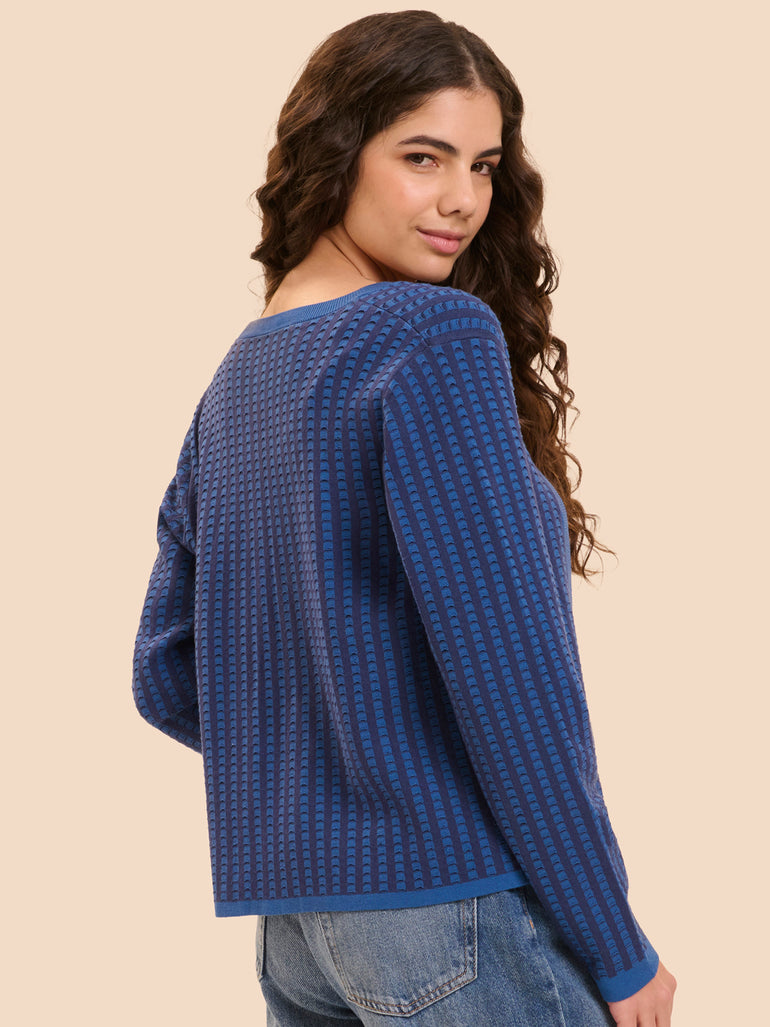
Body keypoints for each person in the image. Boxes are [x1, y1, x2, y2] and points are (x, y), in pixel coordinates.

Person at [133, 11, 676, 1026]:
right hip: (451, 910)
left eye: (483, 165)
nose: (461, 198)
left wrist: (328, 776)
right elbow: (511, 680)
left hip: (298, 930)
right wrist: (616, 945)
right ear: (338, 150)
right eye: (422, 157)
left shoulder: (236, 378)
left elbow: (165, 671)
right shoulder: (430, 334)